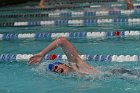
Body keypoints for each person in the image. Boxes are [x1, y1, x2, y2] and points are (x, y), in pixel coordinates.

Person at [29, 37, 98, 75]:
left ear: (62, 64)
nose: (57, 69)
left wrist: (42, 54)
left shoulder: (76, 64)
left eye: (56, 67)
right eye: (55, 71)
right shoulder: (74, 76)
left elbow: (62, 41)